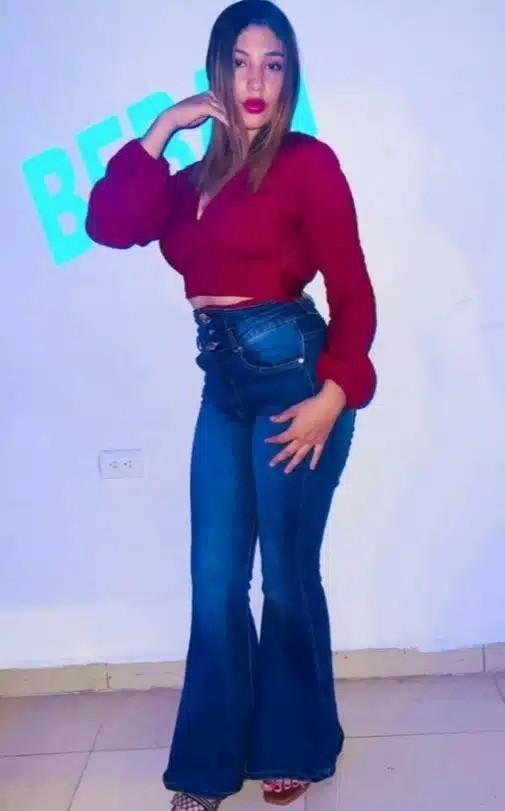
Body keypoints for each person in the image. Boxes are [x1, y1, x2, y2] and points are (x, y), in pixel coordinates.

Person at [85, 1, 377, 808]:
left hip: (295, 380)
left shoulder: (308, 163)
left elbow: (353, 292)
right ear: (217, 70)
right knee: (214, 580)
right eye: (241, 61)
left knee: (284, 576)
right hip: (222, 385)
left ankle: (296, 742)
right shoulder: (186, 183)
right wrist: (160, 131)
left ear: (289, 77)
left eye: (272, 64)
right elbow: (107, 224)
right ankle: (209, 765)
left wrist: (333, 393)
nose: (255, 80)